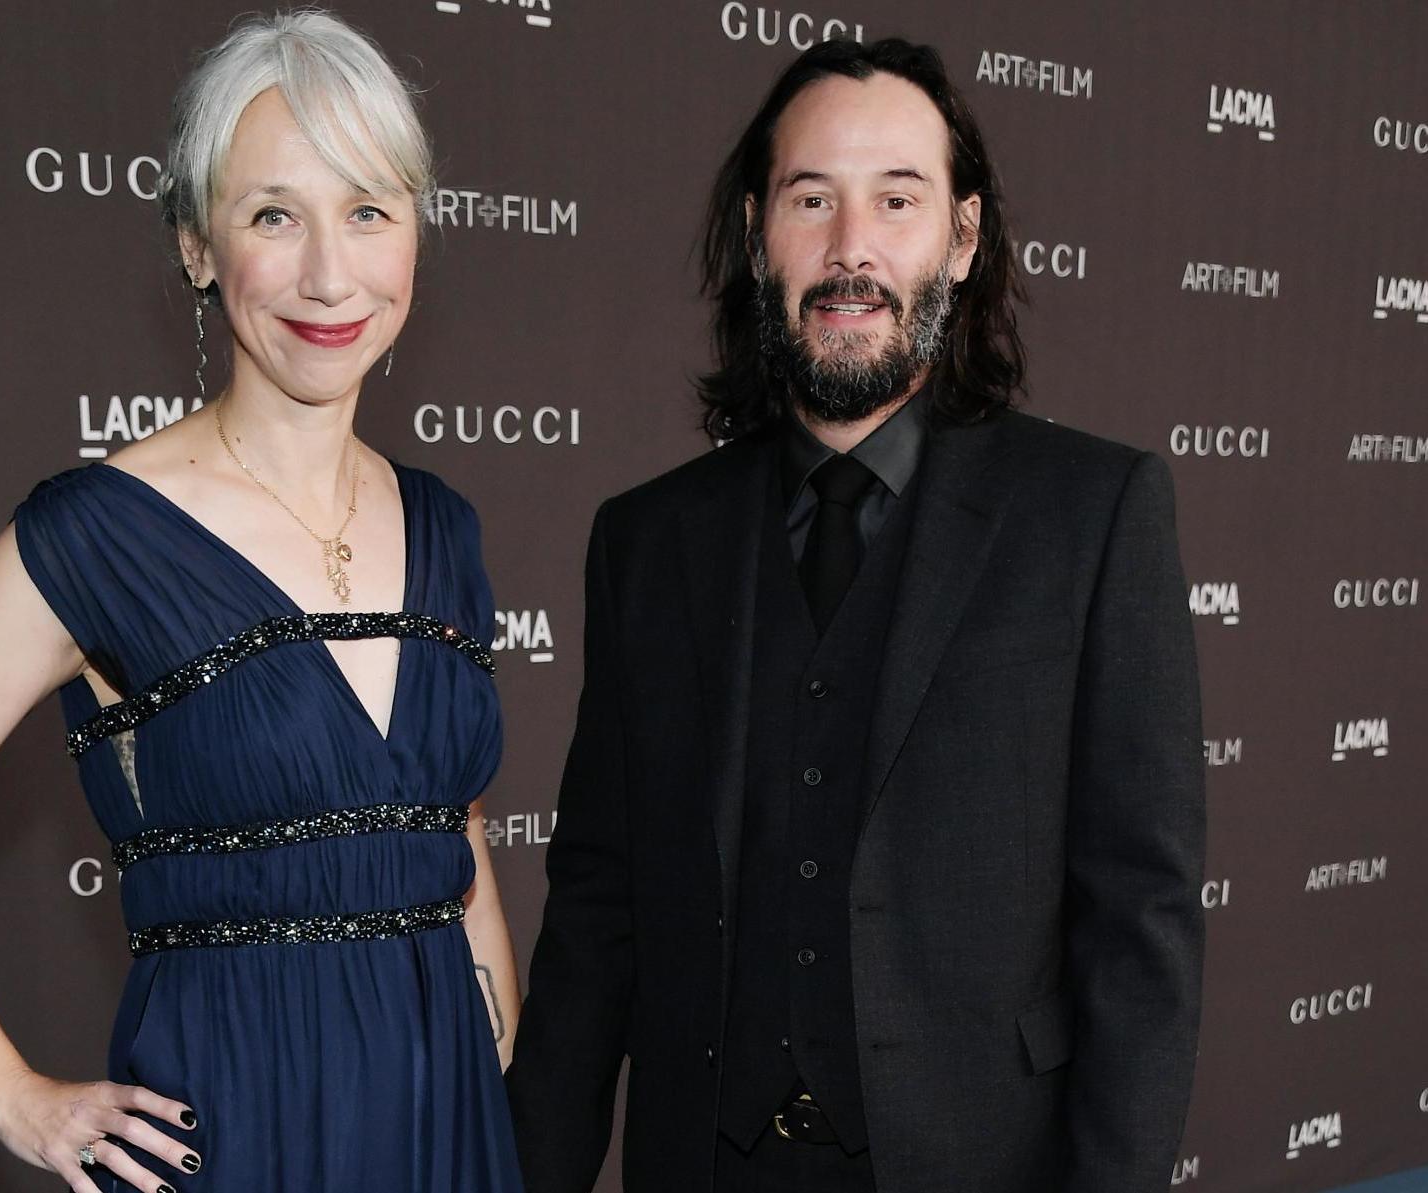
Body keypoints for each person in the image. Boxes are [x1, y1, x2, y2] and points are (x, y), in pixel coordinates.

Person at [0, 12, 523, 1193]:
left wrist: (487, 1054)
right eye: (271, 215)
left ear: (414, 232)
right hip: (240, 1115)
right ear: (198, 245)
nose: (327, 274)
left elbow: (453, 829)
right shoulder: (96, 534)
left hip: (447, 1115)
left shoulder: (442, 522)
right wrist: (10, 1092)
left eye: (367, 210)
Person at [506, 37, 1204, 1193]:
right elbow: (596, 914)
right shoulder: (646, 541)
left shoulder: (1092, 513)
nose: (850, 249)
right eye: (810, 198)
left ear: (961, 236)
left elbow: (1141, 925)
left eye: (895, 198)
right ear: (752, 232)